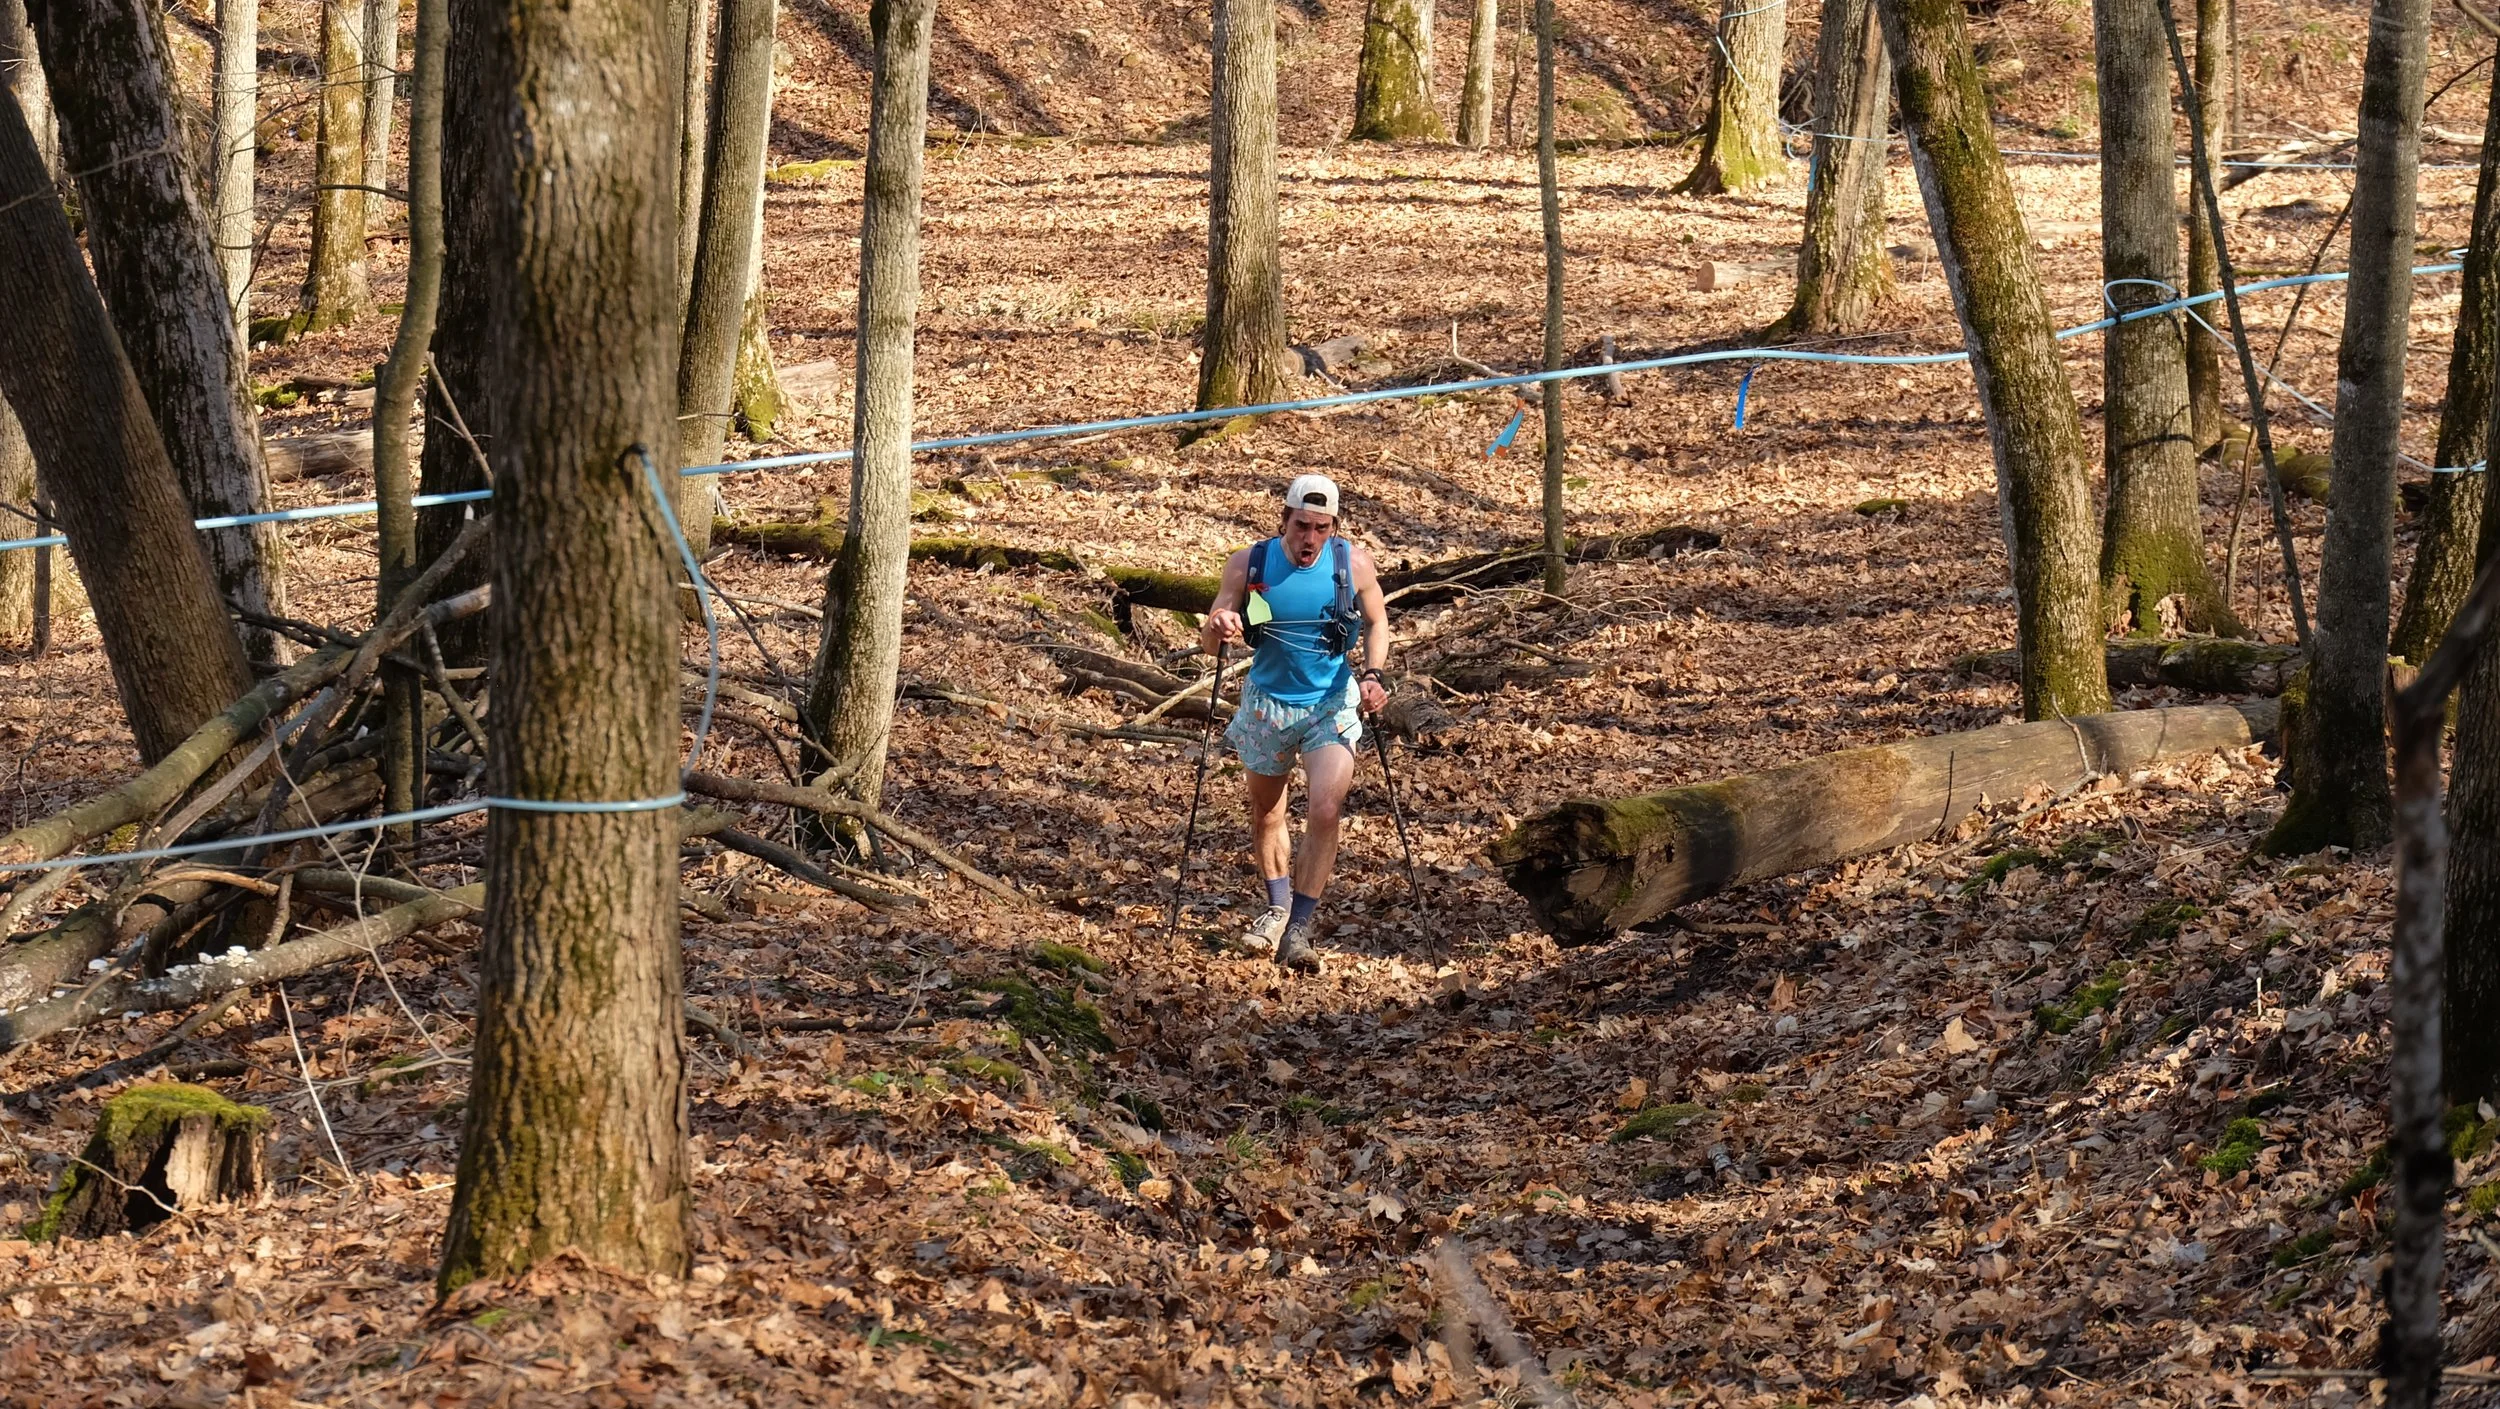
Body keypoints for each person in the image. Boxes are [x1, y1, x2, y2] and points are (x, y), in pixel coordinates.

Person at [1201, 474, 1392, 971]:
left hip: (1331, 702)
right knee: (1267, 813)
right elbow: (1211, 637)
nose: (1310, 538)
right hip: (1268, 705)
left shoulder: (1352, 564)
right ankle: (1277, 909)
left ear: (1333, 527)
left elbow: (1377, 621)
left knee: (1326, 809)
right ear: (1284, 519)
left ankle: (1299, 929)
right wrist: (1219, 625)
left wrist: (1373, 676)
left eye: (1321, 528)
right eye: (1302, 525)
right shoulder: (1250, 563)